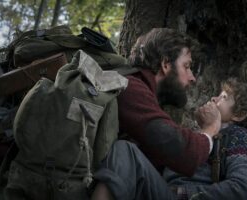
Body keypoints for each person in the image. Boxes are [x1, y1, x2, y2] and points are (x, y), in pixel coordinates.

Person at [90, 28, 221, 200]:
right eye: (187, 66)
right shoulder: (130, 88)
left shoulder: (142, 93)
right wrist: (210, 130)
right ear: (166, 64)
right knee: (124, 151)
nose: (192, 78)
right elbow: (183, 150)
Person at [163, 78, 247, 200]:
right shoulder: (206, 132)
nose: (213, 99)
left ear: (239, 115)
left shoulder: (239, 135)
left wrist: (182, 195)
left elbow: (240, 189)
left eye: (224, 97)